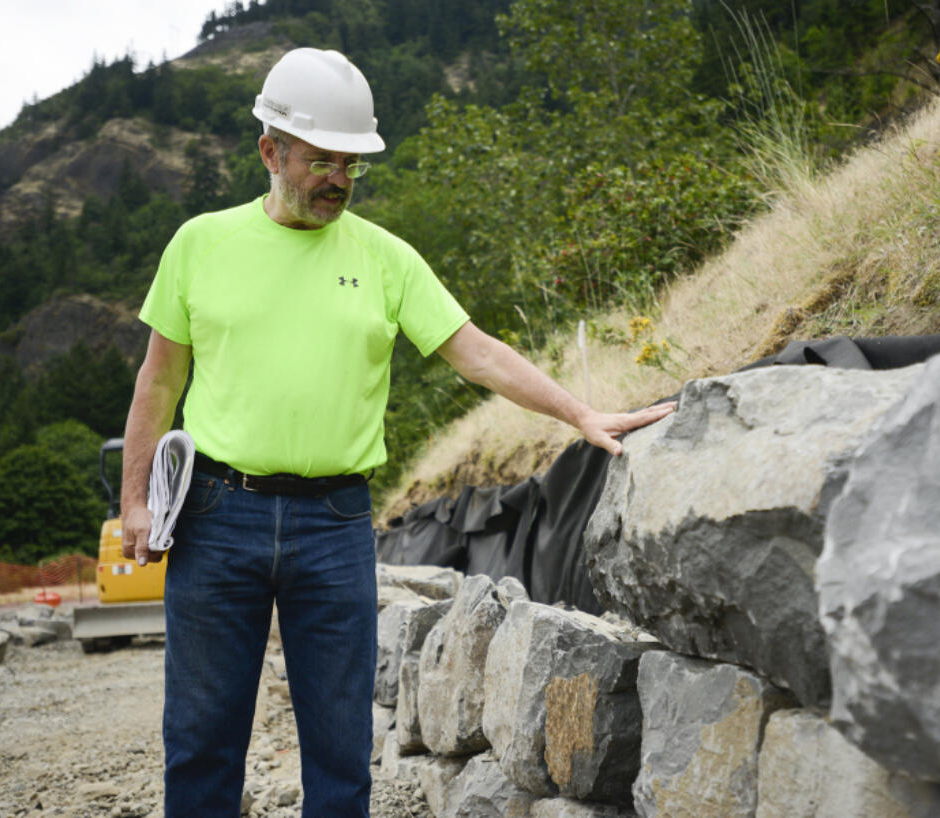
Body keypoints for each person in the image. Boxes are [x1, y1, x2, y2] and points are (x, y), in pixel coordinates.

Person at [119, 47, 674, 818]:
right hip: (217, 517)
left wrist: (579, 413)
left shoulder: (385, 260)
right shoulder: (199, 245)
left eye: (351, 164)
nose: (338, 179)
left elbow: (477, 352)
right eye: (321, 160)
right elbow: (159, 382)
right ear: (270, 151)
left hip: (334, 522)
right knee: (203, 743)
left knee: (341, 754)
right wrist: (139, 502)